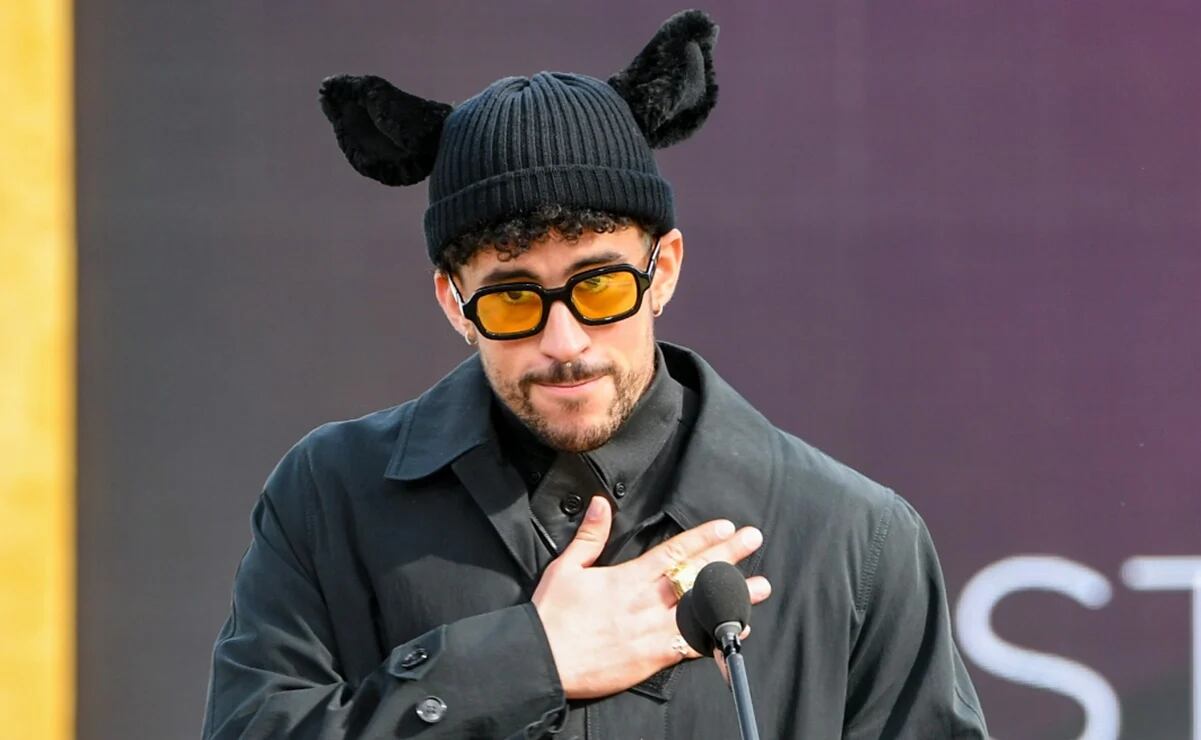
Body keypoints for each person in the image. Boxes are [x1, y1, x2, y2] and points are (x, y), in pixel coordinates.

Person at [202, 10, 988, 739]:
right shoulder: (331, 496)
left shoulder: (854, 538)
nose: (565, 341)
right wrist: (525, 661)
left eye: (600, 288)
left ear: (662, 270)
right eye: (513, 300)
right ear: (453, 302)